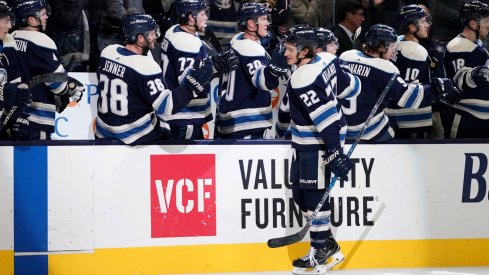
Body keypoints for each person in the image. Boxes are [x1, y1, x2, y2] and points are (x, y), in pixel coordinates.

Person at [284, 24, 361, 274]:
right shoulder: (327, 59)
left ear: (305, 50)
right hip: (310, 140)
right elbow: (352, 88)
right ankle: (327, 243)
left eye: (289, 49)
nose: (285, 53)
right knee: (299, 193)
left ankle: (319, 250)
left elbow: (325, 118)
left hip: (318, 142)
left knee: (314, 195)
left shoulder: (303, 77)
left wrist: (334, 150)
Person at [95, 13, 216, 145]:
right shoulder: (146, 66)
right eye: (151, 34)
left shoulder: (108, 52)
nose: (155, 37)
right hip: (133, 134)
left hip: (103, 130)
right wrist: (192, 86)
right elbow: (166, 107)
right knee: (174, 133)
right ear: (140, 38)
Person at [339, 24, 461, 142]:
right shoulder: (385, 68)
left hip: (341, 127)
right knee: (393, 125)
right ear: (380, 47)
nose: (394, 51)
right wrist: (436, 89)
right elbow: (408, 97)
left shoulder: (346, 57)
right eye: (391, 46)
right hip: (367, 131)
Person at [161, 0, 238, 140]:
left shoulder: (175, 30)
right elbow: (190, 82)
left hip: (178, 114)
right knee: (186, 162)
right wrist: (214, 68)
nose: (206, 17)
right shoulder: (185, 43)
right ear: (191, 17)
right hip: (184, 116)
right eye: (202, 14)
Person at [10, 0, 84, 140]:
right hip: (35, 120)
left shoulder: (11, 38)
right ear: (31, 19)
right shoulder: (41, 40)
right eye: (43, 14)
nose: (46, 17)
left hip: (12, 117)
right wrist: (70, 87)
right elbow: (59, 87)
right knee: (35, 162)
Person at [216, 2, 288, 139]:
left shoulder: (238, 41)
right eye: (263, 19)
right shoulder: (250, 49)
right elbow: (264, 82)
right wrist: (275, 68)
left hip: (234, 119)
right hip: (246, 123)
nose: (267, 23)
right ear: (250, 23)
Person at [441, 0, 489, 138]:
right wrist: (475, 74)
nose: (488, 25)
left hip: (477, 119)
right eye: (486, 21)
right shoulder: (459, 46)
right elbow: (460, 82)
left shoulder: (475, 45)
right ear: (473, 23)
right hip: (464, 118)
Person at [386, 4, 433, 139]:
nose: (427, 25)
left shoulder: (396, 41)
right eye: (423, 22)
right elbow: (411, 91)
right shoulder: (416, 52)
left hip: (390, 116)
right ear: (412, 27)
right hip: (413, 120)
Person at [0, 1, 32, 138]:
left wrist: (16, 118)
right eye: (6, 20)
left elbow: (16, 85)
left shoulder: (9, 43)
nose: (10, 26)